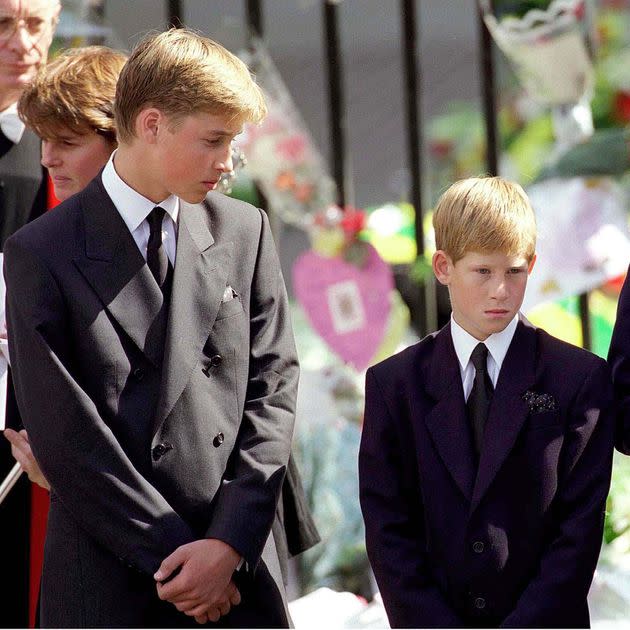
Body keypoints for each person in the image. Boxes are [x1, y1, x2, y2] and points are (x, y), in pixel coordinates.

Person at [5, 29, 299, 628]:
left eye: (232, 142)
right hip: (113, 577)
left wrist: (227, 546)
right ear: (152, 124)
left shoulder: (246, 230)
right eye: (213, 140)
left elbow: (273, 392)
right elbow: (69, 438)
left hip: (236, 573)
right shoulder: (41, 251)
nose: (226, 163)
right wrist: (180, 563)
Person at [358, 176, 615, 628]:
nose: (501, 289)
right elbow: (388, 529)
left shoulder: (578, 378)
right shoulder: (393, 386)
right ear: (443, 267)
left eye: (514, 271)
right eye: (483, 272)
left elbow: (578, 531)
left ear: (532, 265)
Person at [0, 0, 59, 626]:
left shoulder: (61, 141)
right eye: (3, 26)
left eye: (37, 25)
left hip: (26, 408)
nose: (23, 44)